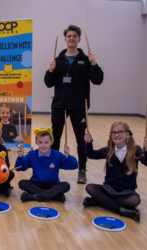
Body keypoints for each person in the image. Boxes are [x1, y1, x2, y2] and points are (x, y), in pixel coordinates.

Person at [44, 24, 104, 184]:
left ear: (78, 39)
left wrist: (94, 64)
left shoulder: (86, 60)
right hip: (59, 105)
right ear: (65, 39)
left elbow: (98, 80)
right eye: (69, 36)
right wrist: (50, 71)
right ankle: (53, 168)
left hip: (79, 106)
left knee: (81, 140)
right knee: (55, 139)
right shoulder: (57, 61)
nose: (71, 38)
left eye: (74, 36)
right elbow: (48, 83)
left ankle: (82, 170)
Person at [83, 121, 147, 221]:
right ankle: (121, 210)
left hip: (126, 191)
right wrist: (88, 143)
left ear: (128, 134)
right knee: (90, 187)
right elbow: (91, 155)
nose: (116, 135)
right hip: (109, 189)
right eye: (113, 133)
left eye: (120, 132)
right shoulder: (109, 150)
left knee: (135, 200)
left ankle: (98, 201)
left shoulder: (135, 150)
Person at [15, 127, 78, 203]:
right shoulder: (32, 154)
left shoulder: (57, 155)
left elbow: (74, 166)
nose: (43, 145)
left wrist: (68, 156)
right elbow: (19, 168)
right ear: (36, 143)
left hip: (52, 184)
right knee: (22, 183)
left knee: (66, 185)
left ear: (51, 142)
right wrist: (20, 156)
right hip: (36, 183)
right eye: (40, 142)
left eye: (46, 142)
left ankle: (35, 196)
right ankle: (53, 195)